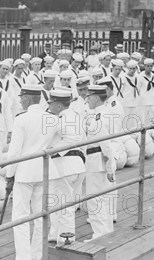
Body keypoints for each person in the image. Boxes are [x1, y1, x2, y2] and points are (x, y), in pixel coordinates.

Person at [4, 84, 59, 260]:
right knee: (40, 214)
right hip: (44, 170)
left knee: (20, 215)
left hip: (24, 172)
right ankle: (37, 253)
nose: (20, 100)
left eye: (22, 97)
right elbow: (54, 143)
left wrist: (9, 175)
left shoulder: (21, 119)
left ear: (28, 98)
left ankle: (23, 258)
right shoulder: (52, 119)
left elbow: (14, 153)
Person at [47, 87, 85, 245]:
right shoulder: (76, 116)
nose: (49, 106)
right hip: (77, 165)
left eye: (52, 103)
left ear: (58, 105)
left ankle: (66, 240)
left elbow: (70, 140)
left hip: (65, 165)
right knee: (58, 202)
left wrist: (50, 151)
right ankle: (56, 233)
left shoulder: (62, 119)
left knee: (64, 205)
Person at [84, 83, 117, 240]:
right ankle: (106, 232)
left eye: (89, 97)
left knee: (95, 200)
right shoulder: (104, 113)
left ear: (96, 97)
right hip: (100, 161)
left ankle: (99, 236)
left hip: (97, 161)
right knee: (103, 199)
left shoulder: (99, 117)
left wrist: (110, 168)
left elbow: (106, 145)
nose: (87, 100)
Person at [121, 60, 143, 130]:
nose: (132, 70)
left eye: (134, 68)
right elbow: (121, 90)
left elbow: (139, 89)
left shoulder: (138, 77)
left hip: (135, 101)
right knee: (126, 119)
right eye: (130, 68)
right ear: (128, 68)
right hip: (126, 101)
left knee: (134, 119)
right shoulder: (123, 77)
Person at [139, 58, 154, 125]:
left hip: (151, 101)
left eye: (151, 66)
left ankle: (150, 133)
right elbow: (138, 89)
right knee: (142, 120)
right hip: (143, 102)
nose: (149, 68)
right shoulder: (140, 76)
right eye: (148, 66)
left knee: (151, 119)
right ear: (144, 66)